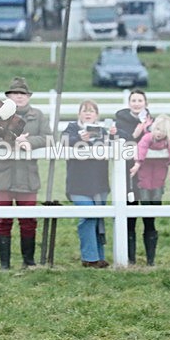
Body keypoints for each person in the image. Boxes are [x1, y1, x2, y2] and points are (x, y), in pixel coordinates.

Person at [0, 77, 51, 270]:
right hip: (3, 177)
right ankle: (4, 264)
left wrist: (29, 143)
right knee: (3, 220)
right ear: (8, 96)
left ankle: (29, 262)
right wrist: (13, 140)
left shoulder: (38, 116)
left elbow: (48, 138)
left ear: (28, 96)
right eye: (15, 93)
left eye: (23, 94)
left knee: (28, 220)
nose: (19, 97)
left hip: (28, 177)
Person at [63, 100, 110, 268]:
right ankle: (90, 258)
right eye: (85, 110)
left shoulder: (103, 132)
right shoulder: (71, 129)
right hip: (78, 184)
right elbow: (64, 142)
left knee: (98, 219)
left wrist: (113, 134)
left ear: (97, 115)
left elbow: (119, 143)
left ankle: (99, 257)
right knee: (88, 215)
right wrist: (79, 139)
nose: (88, 113)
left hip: (99, 183)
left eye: (92, 111)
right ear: (79, 114)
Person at [129, 114, 170, 266]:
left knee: (157, 192)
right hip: (145, 171)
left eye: (162, 131)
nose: (158, 133)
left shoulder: (169, 141)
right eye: (157, 129)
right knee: (145, 191)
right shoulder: (147, 137)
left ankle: (155, 208)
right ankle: (146, 206)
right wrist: (137, 164)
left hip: (159, 172)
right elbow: (141, 148)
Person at [114, 89, 153, 265]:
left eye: (140, 100)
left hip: (149, 174)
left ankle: (150, 260)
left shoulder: (151, 121)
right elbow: (120, 142)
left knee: (149, 217)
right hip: (128, 174)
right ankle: (130, 259)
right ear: (129, 103)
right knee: (129, 217)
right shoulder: (121, 121)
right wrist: (136, 134)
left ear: (145, 103)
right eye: (134, 100)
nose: (137, 104)